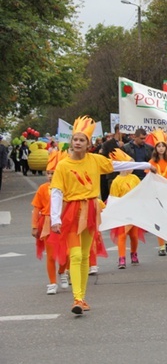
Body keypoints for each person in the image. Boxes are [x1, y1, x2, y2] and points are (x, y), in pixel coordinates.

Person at [49, 116, 155, 315]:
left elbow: (117, 166)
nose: (78, 142)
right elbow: (56, 192)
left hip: (90, 209)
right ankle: (77, 298)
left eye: (82, 140)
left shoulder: (95, 160)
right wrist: (55, 218)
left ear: (88, 144)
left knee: (86, 254)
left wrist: (144, 166)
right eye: (76, 139)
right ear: (71, 142)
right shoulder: (63, 166)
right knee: (76, 254)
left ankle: (81, 298)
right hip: (72, 211)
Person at [32, 150, 68, 294]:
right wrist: (35, 226)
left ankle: (62, 271)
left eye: (53, 173)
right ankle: (52, 282)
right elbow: (36, 208)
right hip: (47, 223)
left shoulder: (66, 187)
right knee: (51, 255)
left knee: (67, 253)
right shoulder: (42, 189)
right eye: (48, 173)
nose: (50, 176)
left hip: (64, 222)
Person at [108, 149, 142, 269]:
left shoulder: (135, 178)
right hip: (122, 212)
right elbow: (114, 198)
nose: (131, 167)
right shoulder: (116, 182)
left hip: (133, 211)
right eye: (129, 164)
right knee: (122, 235)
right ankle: (121, 258)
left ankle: (134, 253)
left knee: (134, 235)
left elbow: (140, 191)